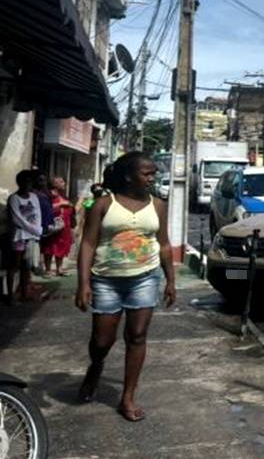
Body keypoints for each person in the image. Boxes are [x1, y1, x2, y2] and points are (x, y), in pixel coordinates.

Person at [75, 152, 176, 422]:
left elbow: (164, 244)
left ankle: (128, 397)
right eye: (147, 173)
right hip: (106, 280)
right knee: (102, 340)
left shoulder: (158, 205)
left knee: (138, 336)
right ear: (129, 176)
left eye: (154, 173)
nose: (152, 178)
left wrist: (170, 280)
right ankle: (96, 367)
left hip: (144, 278)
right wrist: (83, 283)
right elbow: (87, 244)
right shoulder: (103, 205)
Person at [6, 170, 42, 302]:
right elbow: (17, 219)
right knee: (14, 265)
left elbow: (38, 214)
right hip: (19, 236)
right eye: (25, 182)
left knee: (26, 266)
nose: (28, 184)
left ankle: (24, 293)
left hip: (31, 236)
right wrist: (34, 229)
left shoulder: (33, 197)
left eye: (30, 182)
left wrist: (38, 229)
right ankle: (10, 295)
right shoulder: (14, 198)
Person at [41, 176, 74, 277]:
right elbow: (45, 208)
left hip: (65, 225)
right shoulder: (48, 195)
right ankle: (48, 269)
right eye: (60, 182)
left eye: (63, 181)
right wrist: (60, 204)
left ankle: (59, 268)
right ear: (54, 184)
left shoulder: (63, 195)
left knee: (62, 246)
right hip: (53, 225)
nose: (63, 183)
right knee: (50, 246)